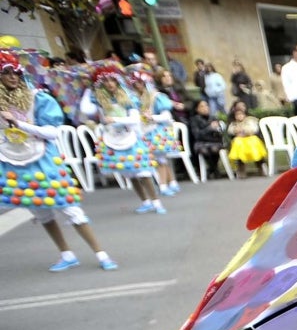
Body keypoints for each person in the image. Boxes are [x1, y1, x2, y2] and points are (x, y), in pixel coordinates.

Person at [0, 50, 117, 271]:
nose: (12, 77)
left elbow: (52, 132)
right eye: (6, 73)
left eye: (14, 72)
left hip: (43, 159)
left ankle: (101, 254)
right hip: (13, 161)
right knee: (41, 211)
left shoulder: (38, 98)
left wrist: (18, 123)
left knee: (70, 208)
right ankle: (66, 253)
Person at [78, 63, 165, 215]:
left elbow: (134, 119)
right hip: (113, 139)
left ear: (117, 81)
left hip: (131, 138)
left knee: (143, 173)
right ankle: (145, 201)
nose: (110, 84)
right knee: (129, 173)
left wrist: (116, 120)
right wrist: (87, 88)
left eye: (112, 80)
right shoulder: (98, 100)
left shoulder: (128, 97)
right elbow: (85, 110)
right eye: (106, 81)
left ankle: (156, 202)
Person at [127, 67, 181, 196]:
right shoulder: (135, 99)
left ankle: (163, 186)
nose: (138, 86)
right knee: (160, 160)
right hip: (145, 131)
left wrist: (152, 117)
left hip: (157, 132)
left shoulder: (156, 97)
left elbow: (167, 115)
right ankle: (172, 182)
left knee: (160, 160)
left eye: (140, 83)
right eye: (135, 84)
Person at [225, 98, 267, 178]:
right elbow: (230, 131)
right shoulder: (233, 123)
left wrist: (246, 131)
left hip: (250, 139)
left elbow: (254, 129)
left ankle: (260, 166)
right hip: (240, 141)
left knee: (255, 142)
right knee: (237, 143)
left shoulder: (250, 120)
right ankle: (241, 169)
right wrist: (236, 131)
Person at [187, 98, 224, 170]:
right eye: (202, 106)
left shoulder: (213, 118)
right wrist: (210, 128)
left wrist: (218, 128)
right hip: (201, 142)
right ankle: (212, 169)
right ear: (196, 109)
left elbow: (220, 133)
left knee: (214, 149)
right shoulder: (194, 120)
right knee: (204, 150)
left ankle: (213, 168)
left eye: (206, 105)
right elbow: (197, 135)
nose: (205, 108)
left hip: (214, 141)